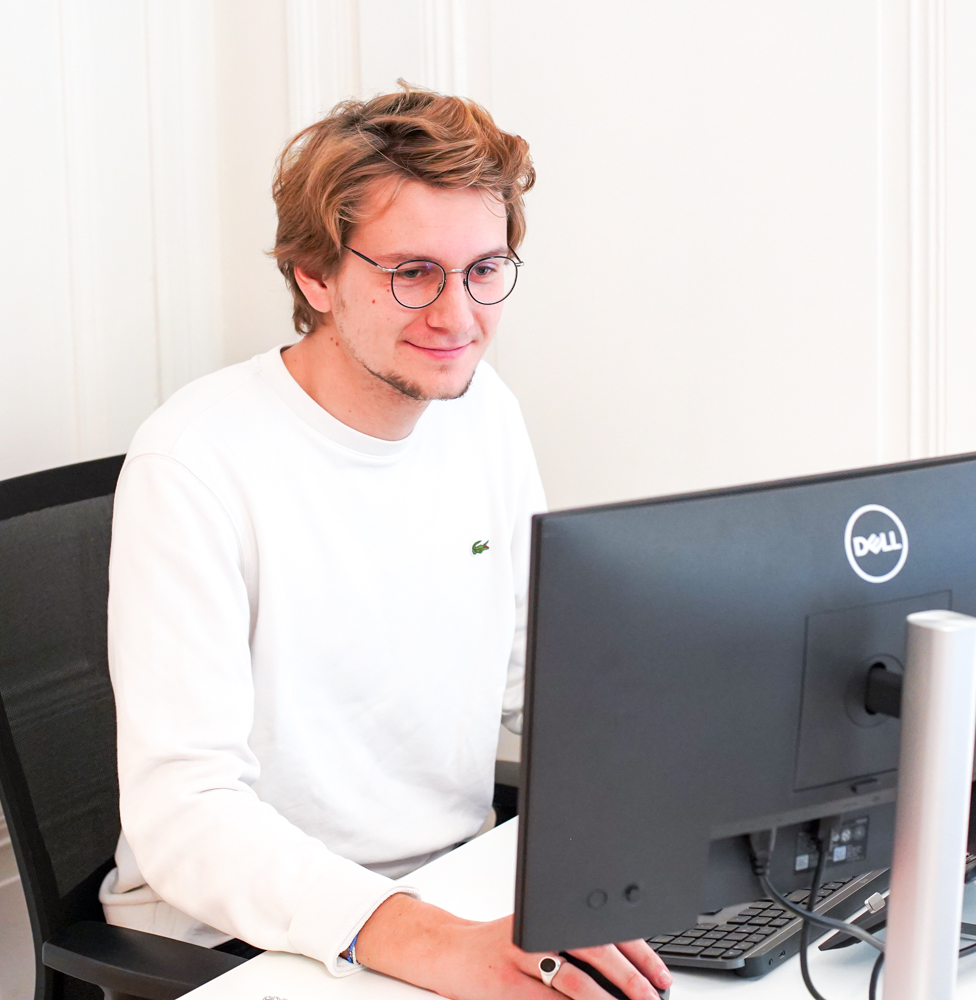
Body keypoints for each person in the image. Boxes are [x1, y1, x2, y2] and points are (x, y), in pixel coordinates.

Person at [100, 85, 672, 1000]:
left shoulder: (482, 412)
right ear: (314, 276)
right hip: (246, 939)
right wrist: (428, 938)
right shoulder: (194, 461)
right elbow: (185, 816)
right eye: (413, 273)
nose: (458, 318)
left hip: (456, 885)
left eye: (484, 270)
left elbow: (536, 676)